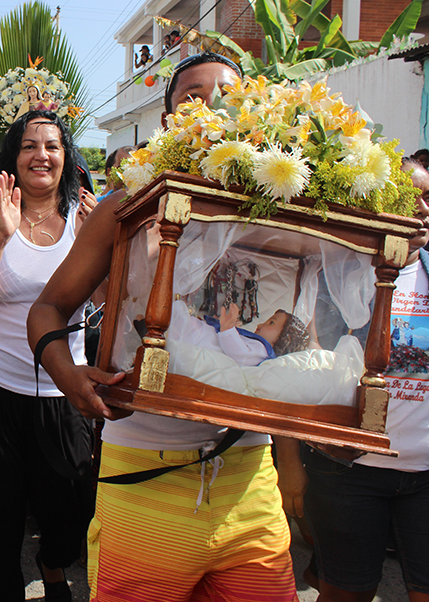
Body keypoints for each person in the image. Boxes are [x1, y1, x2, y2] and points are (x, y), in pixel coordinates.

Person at [28, 52, 301, 601]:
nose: (213, 108)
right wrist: (71, 378)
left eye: (228, 95)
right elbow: (47, 310)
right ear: (170, 120)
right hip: (143, 473)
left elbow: (303, 342)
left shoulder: (285, 208)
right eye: (193, 98)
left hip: (247, 478)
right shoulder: (127, 209)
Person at [0, 110, 94, 602]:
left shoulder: (86, 219)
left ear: (66, 157)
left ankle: (53, 565)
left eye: (52, 146)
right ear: (12, 157)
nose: (41, 155)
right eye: (29, 145)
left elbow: (118, 297)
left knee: (69, 512)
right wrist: (1, 235)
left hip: (63, 388)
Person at [299, 157, 429, 602]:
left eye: (428, 197)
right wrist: (290, 466)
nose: (424, 209)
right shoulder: (334, 272)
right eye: (411, 197)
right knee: (345, 592)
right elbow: (294, 366)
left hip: (426, 474)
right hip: (347, 472)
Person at [170, 300, 309, 365]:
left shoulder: (263, 352)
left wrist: (228, 330)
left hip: (198, 340)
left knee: (177, 315)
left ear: (285, 339)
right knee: (178, 314)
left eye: (271, 322)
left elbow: (239, 353)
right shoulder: (258, 346)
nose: (261, 324)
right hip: (199, 336)